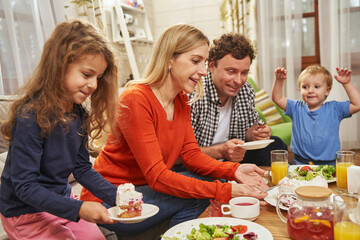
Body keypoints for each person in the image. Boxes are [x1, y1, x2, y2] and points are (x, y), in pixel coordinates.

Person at [80, 24, 269, 238]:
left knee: (212, 184)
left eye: (205, 63)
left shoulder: (180, 100)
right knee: (208, 189)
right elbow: (158, 177)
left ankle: (168, 233)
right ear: (170, 58)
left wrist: (233, 170)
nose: (203, 71)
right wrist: (226, 189)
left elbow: (191, 155)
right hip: (114, 200)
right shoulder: (136, 99)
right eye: (195, 61)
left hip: (146, 194)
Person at [0, 20, 119, 240]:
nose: (93, 85)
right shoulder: (30, 116)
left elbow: (82, 168)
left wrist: (118, 196)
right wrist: (80, 209)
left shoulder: (79, 115)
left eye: (98, 78)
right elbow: (24, 186)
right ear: (60, 66)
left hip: (60, 203)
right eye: (86, 74)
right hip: (24, 211)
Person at [183, 33, 287, 168]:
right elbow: (182, 154)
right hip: (201, 163)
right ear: (212, 66)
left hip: (232, 158)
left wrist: (256, 133)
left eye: (244, 73)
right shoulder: (194, 94)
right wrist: (221, 151)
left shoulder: (246, 90)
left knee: (276, 144)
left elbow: (247, 133)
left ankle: (274, 186)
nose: (238, 81)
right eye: (231, 71)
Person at [272, 65, 360, 166]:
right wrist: (279, 80)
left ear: (327, 90)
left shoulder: (335, 109)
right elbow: (277, 98)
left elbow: (357, 104)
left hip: (328, 165)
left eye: (316, 86)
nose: (310, 90)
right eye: (305, 87)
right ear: (300, 89)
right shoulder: (295, 107)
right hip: (300, 163)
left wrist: (347, 83)